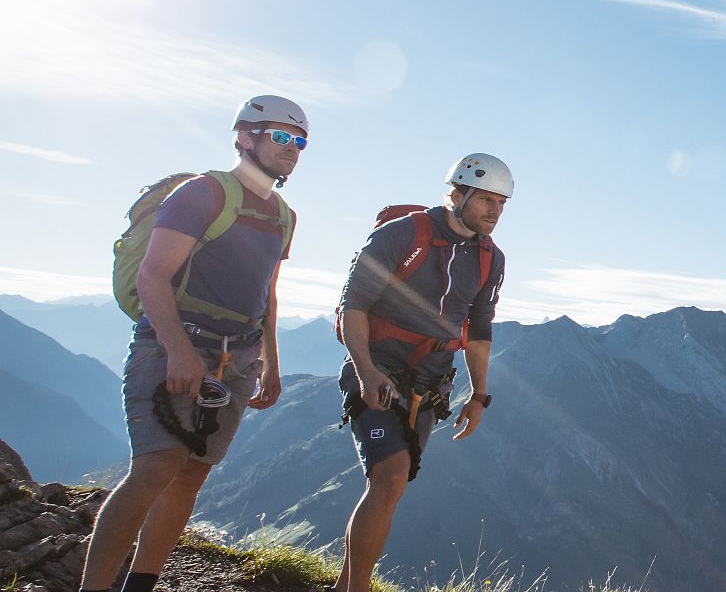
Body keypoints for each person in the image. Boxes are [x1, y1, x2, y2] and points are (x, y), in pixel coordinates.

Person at [79, 95, 309, 592]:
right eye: (282, 137)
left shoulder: (284, 215)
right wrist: (180, 351)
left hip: (239, 356)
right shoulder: (203, 194)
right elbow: (152, 275)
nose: (293, 149)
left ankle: (142, 582)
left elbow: (267, 290)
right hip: (174, 344)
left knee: (192, 474)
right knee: (155, 467)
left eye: (300, 141)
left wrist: (271, 360)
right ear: (245, 137)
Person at [330, 154, 511, 592]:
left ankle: (343, 585)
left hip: (431, 383)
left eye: (502, 203)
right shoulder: (402, 234)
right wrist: (366, 371)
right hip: (378, 370)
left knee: (389, 484)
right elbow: (353, 304)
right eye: (486, 199)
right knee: (390, 477)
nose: (495, 211)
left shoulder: (491, 258)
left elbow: (480, 330)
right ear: (457, 194)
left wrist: (479, 395)